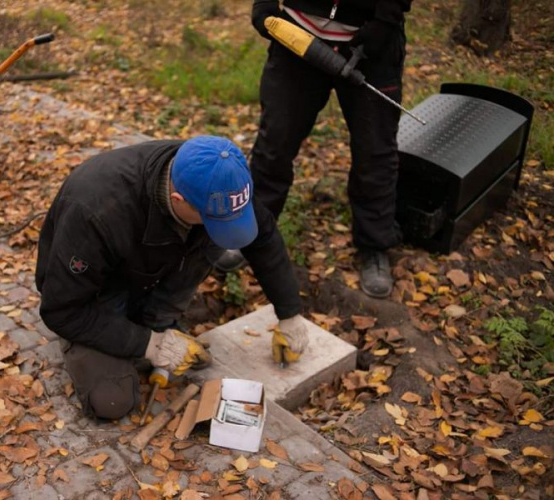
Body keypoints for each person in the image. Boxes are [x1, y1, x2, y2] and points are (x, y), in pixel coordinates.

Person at [36, 136, 310, 419]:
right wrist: (150, 345)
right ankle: (113, 337)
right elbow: (61, 310)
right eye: (212, 218)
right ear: (178, 200)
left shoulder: (217, 176)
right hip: (98, 295)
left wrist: (289, 312)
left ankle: (158, 321)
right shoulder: (96, 211)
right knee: (112, 401)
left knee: (211, 236)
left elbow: (263, 238)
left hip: (149, 270)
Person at [219, 0, 412, 298]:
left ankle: (374, 246)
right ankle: (250, 232)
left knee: (375, 153)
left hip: (372, 42)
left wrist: (386, 20)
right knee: (275, 143)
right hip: (297, 35)